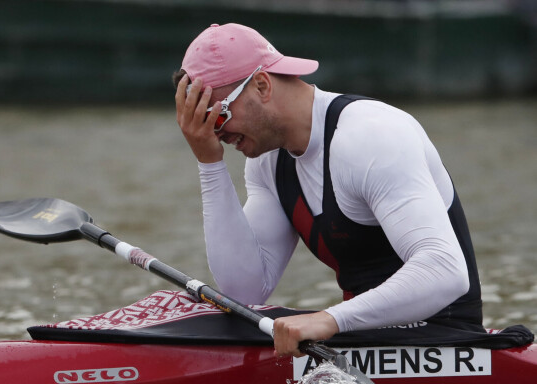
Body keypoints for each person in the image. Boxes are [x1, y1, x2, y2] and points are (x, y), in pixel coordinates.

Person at [173, 23, 483, 358]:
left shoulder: (372, 136)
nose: (214, 134)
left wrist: (329, 319)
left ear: (262, 85)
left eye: (215, 119)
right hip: (359, 336)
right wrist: (209, 162)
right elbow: (244, 291)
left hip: (445, 342)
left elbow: (446, 270)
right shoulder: (267, 162)